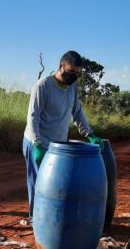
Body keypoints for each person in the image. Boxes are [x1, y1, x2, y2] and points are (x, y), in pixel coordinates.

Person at [23, 50, 104, 217]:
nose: (74, 76)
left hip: (57, 146)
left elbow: (77, 112)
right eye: (71, 71)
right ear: (61, 66)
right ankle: (36, 219)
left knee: (53, 184)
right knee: (38, 184)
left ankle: (50, 218)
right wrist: (37, 144)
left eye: (77, 73)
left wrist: (90, 133)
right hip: (36, 143)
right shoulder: (43, 86)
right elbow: (33, 117)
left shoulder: (72, 87)